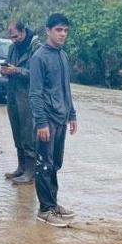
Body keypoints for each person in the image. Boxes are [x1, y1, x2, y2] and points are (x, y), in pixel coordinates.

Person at [29, 13, 78, 228]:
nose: (63, 34)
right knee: (44, 164)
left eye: (65, 30)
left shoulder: (63, 55)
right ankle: (44, 210)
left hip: (61, 118)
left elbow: (66, 88)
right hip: (46, 120)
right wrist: (41, 122)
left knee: (55, 163)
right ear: (47, 31)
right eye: (58, 30)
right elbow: (35, 93)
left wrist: (72, 114)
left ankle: (53, 203)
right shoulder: (39, 58)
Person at [1, 21, 42, 184]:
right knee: (17, 132)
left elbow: (37, 74)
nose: (14, 40)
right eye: (11, 37)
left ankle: (31, 171)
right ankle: (21, 167)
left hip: (28, 97)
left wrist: (16, 70)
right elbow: (9, 67)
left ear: (23, 31)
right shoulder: (12, 48)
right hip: (12, 95)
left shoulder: (36, 48)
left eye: (16, 36)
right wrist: (5, 70)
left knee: (28, 134)